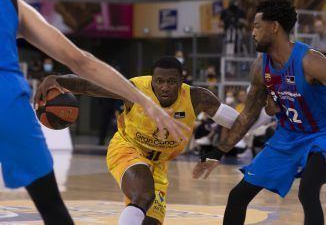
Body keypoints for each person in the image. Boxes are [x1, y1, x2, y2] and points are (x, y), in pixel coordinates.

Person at [0, 0, 188, 225]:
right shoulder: (9, 2)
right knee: (51, 207)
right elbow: (80, 60)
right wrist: (144, 101)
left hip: (8, 97)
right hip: (8, 100)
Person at [38, 57, 240, 225]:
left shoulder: (198, 98)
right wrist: (57, 80)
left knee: (149, 219)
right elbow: (88, 85)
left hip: (159, 165)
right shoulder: (134, 89)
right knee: (143, 194)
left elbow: (239, 123)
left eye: (171, 82)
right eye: (159, 81)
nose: (165, 87)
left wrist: (269, 118)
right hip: (127, 149)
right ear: (152, 79)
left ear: (181, 81)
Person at [193, 0, 326, 225]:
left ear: (274, 27)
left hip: (322, 135)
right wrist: (218, 152)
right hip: (288, 137)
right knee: (237, 197)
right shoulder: (260, 68)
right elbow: (248, 115)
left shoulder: (311, 61)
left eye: (256, 26)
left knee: (308, 192)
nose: (252, 32)